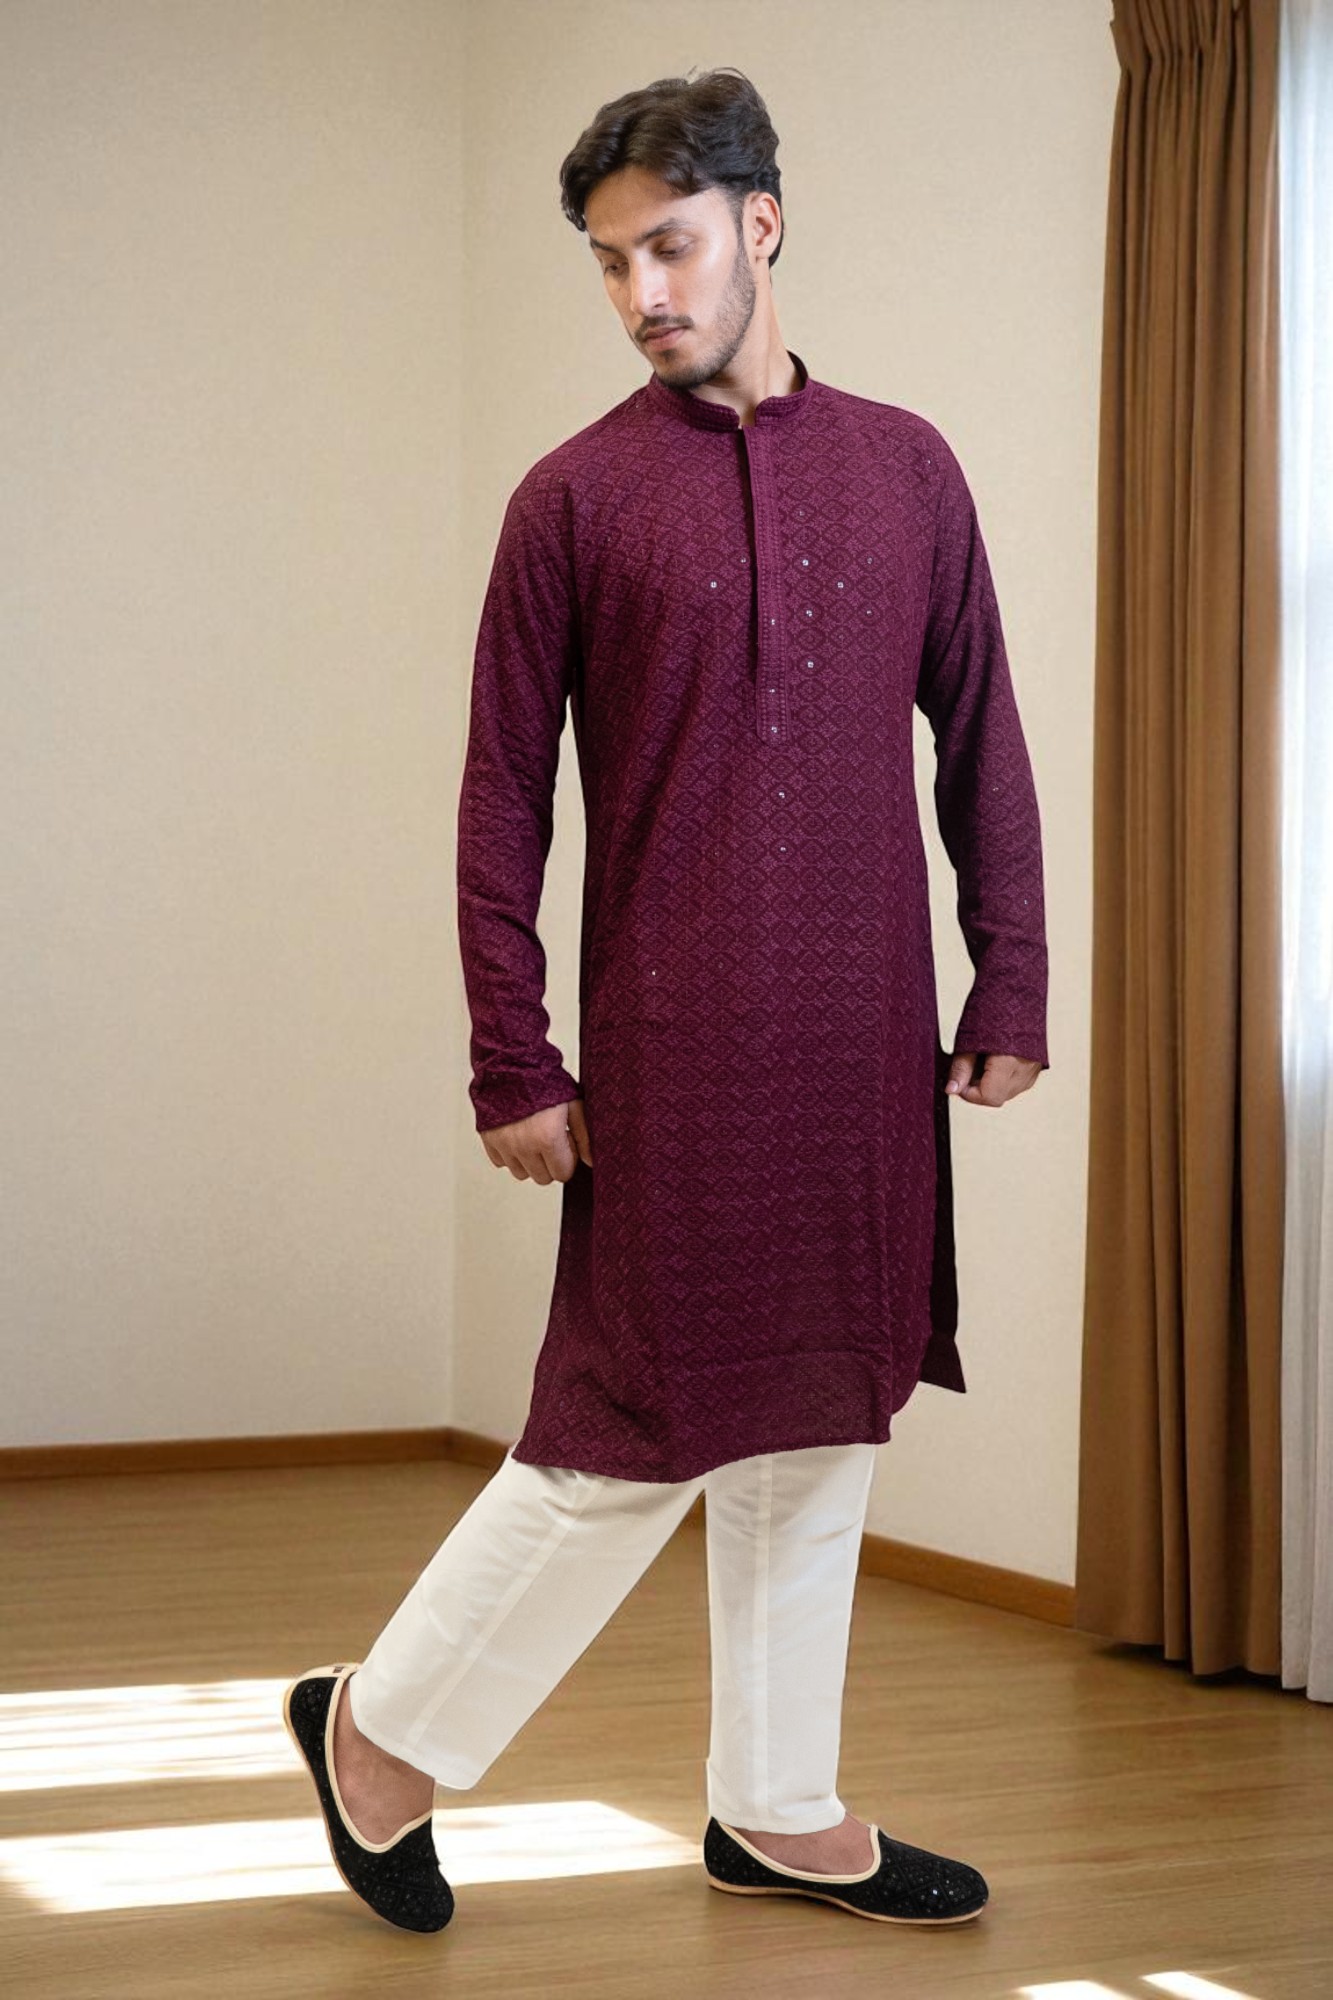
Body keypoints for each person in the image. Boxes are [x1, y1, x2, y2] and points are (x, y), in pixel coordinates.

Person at [284, 65, 1048, 1937]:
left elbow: (981, 737)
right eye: (610, 261)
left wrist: (1011, 965)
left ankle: (777, 1807)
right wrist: (511, 1048)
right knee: (625, 1427)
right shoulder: (570, 498)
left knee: (825, 1414)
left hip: (859, 1032)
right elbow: (498, 794)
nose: (641, 291)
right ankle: (378, 1735)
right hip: (672, 1045)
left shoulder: (909, 468)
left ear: (760, 225)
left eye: (672, 247)